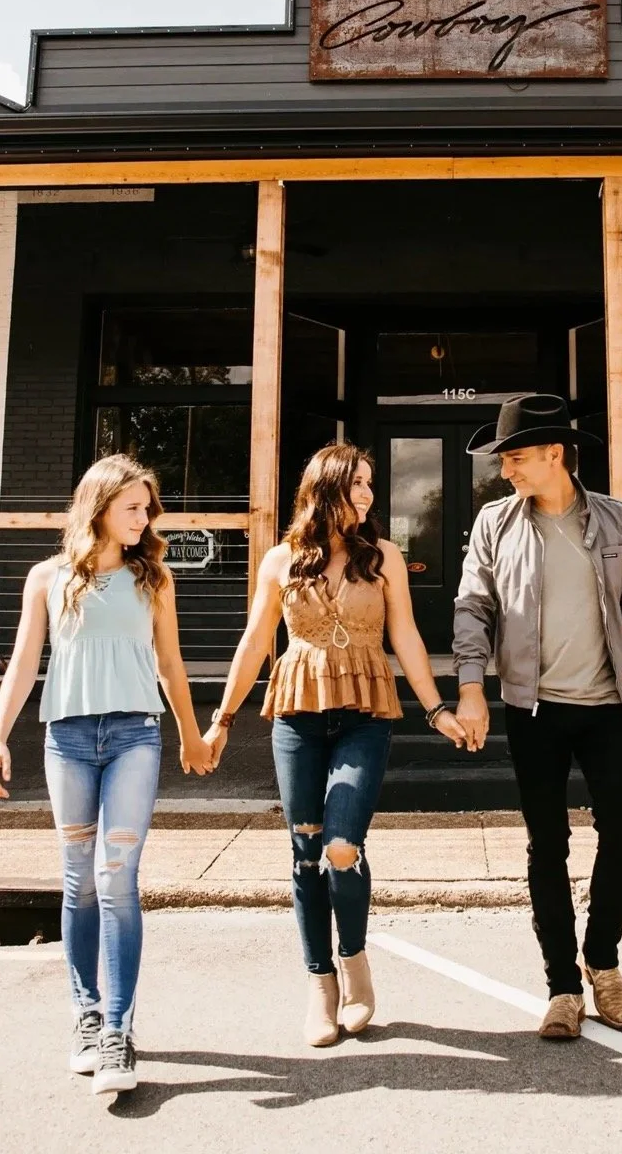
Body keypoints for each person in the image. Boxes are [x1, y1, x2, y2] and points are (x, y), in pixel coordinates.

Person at [205, 442, 469, 1047]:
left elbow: (404, 632)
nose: (368, 496)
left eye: (371, 486)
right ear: (326, 490)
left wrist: (435, 708)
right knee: (305, 852)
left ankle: (355, 965)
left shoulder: (384, 558)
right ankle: (320, 986)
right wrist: (221, 718)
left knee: (343, 846)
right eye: (357, 486)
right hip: (297, 716)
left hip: (364, 716)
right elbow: (253, 644)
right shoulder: (280, 560)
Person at [453, 393, 622, 1039]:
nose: (506, 471)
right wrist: (471, 686)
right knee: (546, 846)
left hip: (606, 704)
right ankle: (561, 986)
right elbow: (472, 609)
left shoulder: (616, 520)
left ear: (555, 453)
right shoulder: (495, 523)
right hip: (533, 709)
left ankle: (601, 961)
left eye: (516, 457)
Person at [0, 455, 213, 1094]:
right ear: (98, 507)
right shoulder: (47, 578)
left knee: (116, 878)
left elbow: (172, 666)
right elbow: (21, 666)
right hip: (66, 740)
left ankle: (119, 1030)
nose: (144, 518)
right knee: (79, 882)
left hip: (134, 738)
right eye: (133, 508)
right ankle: (85, 1016)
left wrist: (192, 735)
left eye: (148, 508)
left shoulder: (154, 579)